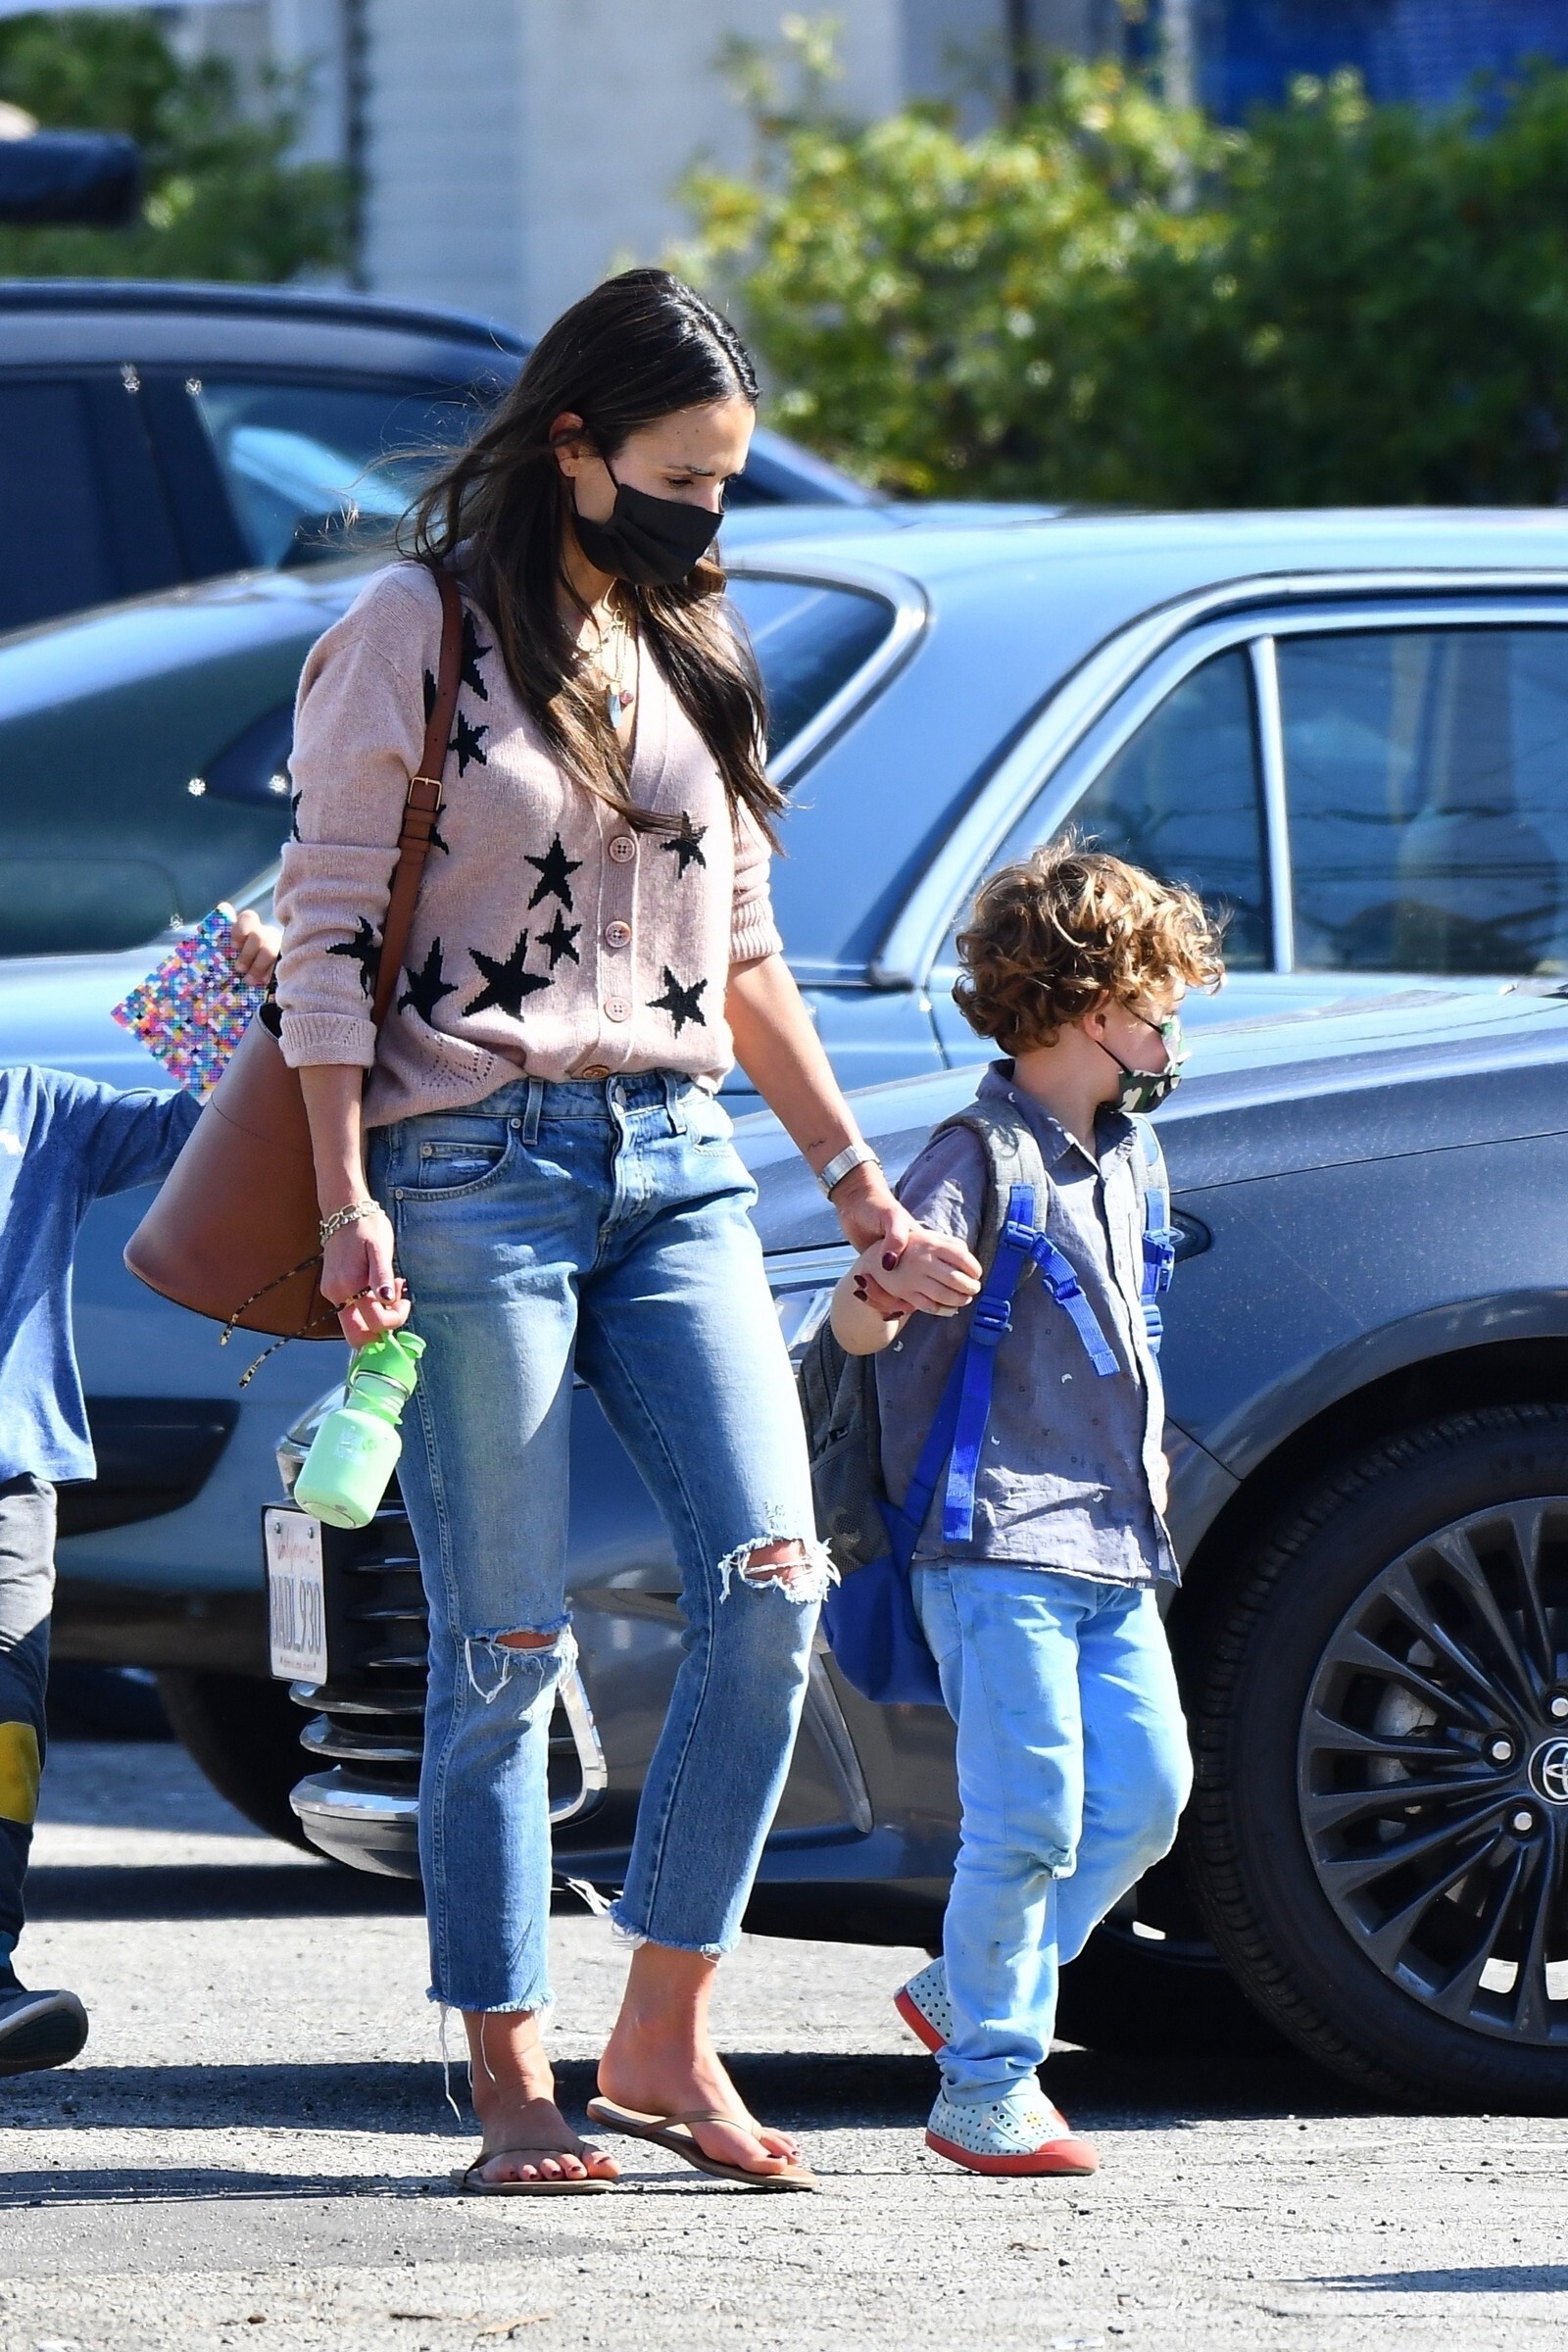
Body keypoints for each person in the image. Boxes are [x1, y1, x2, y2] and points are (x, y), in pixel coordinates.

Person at [273, 269, 960, 2194]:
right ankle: (508, 2075)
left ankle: (661, 2030)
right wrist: (341, 1200)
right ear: (572, 447)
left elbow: (744, 953)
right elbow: (324, 940)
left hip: (679, 1163)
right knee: (503, 1639)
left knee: (772, 1584)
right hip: (464, 1168)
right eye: (680, 477)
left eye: (728, 481)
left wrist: (855, 1183)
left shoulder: (691, 636)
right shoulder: (410, 633)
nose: (708, 514)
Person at [829, 841, 1224, 2177]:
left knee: (1149, 1799)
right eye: (1156, 1009)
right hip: (990, 1538)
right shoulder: (975, 1156)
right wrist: (881, 1288)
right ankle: (986, 2083)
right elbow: (856, 1331)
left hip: (1113, 1538)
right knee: (1031, 1815)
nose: (1171, 1038)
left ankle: (970, 1985)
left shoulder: (1129, 1157)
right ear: (1086, 1009)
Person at [0, 909, 277, 2076]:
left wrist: (259, 1000)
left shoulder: (38, 1109)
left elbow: (210, 1132)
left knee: (6, 1721)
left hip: (9, 1480)